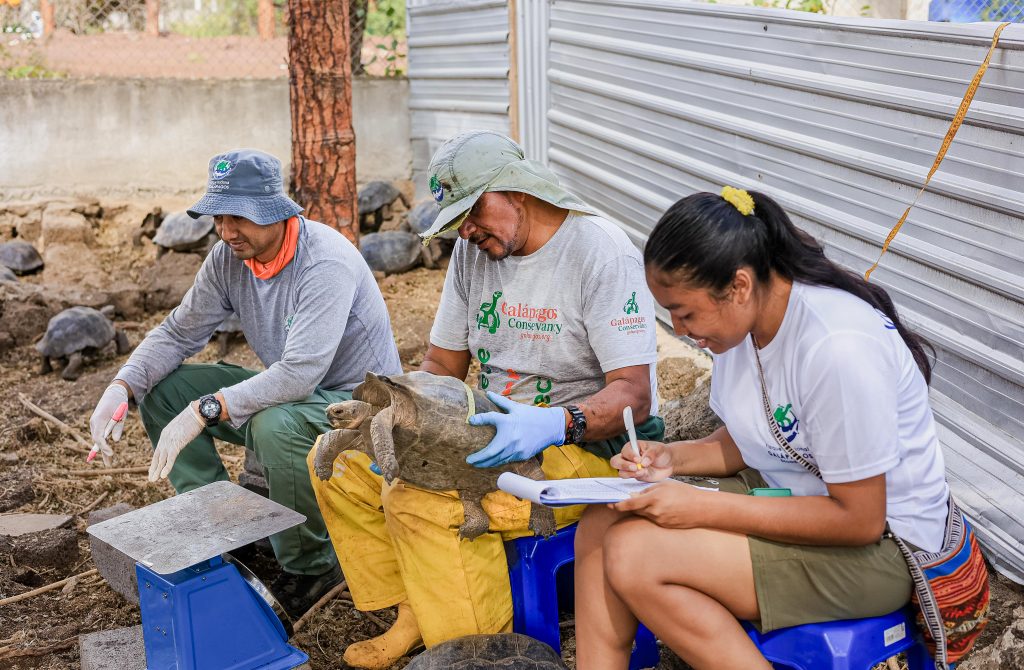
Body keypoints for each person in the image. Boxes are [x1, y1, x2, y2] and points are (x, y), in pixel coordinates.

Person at [307, 130, 664, 669]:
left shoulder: (599, 251)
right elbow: (441, 365)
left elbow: (634, 394)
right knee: (338, 463)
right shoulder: (473, 254)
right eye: (457, 220)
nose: (466, 230)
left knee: (425, 501)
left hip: (584, 447)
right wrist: (409, 416)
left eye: (473, 212)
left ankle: (481, 654)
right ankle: (415, 611)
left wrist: (552, 424)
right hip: (484, 427)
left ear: (518, 189)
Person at [572, 186, 961, 669]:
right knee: (603, 521)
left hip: (884, 548)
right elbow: (754, 440)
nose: (678, 328)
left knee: (636, 555)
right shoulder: (743, 327)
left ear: (738, 286)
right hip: (794, 493)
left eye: (685, 312)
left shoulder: (836, 348)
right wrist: (671, 457)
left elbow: (859, 520)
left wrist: (699, 507)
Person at [88, 148, 403, 618]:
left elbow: (300, 373)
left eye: (239, 216)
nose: (226, 230)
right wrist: (122, 386)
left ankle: (312, 566)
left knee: (273, 424)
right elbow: (178, 332)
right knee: (164, 390)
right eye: (219, 216)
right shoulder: (228, 259)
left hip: (360, 408)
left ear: (275, 210)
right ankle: (222, 532)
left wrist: (206, 409)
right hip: (300, 394)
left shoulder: (324, 261)